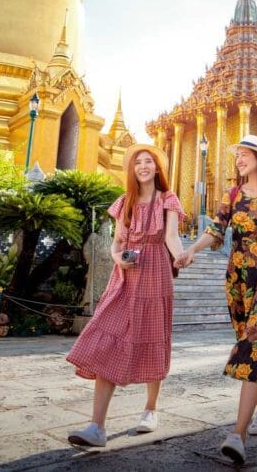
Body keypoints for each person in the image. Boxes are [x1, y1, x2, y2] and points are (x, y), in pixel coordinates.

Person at [175, 134, 257, 465]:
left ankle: (237, 435)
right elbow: (215, 231)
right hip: (237, 278)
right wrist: (191, 251)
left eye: (245, 154)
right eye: (238, 155)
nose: (239, 159)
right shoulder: (231, 195)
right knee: (248, 341)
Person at [65, 144, 185, 447]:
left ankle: (150, 409)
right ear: (131, 169)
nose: (143, 166)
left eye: (149, 162)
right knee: (108, 339)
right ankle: (97, 426)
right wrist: (119, 259)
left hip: (156, 275)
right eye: (138, 162)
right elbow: (117, 243)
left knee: (153, 338)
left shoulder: (168, 199)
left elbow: (171, 236)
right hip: (125, 279)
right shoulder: (125, 202)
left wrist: (182, 256)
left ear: (158, 168)